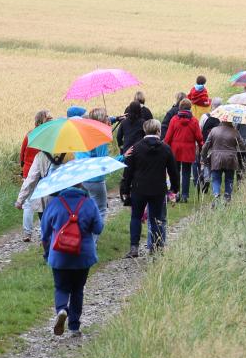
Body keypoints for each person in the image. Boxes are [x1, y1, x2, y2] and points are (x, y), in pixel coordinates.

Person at [41, 184, 104, 338]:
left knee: (61, 287)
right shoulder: (89, 203)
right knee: (77, 289)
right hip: (83, 256)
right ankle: (74, 326)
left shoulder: (54, 203)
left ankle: (62, 309)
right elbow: (98, 228)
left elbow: (45, 232)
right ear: (80, 185)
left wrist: (47, 251)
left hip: (59, 255)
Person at [123, 119, 179, 258]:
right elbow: (173, 171)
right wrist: (174, 189)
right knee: (156, 218)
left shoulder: (135, 148)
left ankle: (134, 247)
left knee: (136, 217)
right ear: (159, 131)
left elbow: (128, 171)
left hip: (138, 188)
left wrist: (125, 189)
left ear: (144, 130)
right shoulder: (165, 148)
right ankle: (154, 247)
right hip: (158, 189)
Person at [19, 109, 52, 241]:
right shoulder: (48, 135)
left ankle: (27, 233)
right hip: (43, 171)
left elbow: (22, 154)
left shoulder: (29, 135)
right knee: (43, 204)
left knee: (28, 204)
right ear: (44, 120)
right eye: (48, 118)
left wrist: (23, 168)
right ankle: (45, 234)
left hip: (28, 171)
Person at [74, 107, 111, 221]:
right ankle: (92, 239)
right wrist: (123, 157)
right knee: (101, 211)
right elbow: (103, 159)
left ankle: (83, 235)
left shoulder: (84, 133)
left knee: (86, 210)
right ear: (101, 119)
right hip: (96, 178)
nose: (108, 118)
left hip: (82, 177)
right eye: (106, 116)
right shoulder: (99, 136)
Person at [164, 98, 204, 202]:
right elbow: (199, 137)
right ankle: (185, 196)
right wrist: (201, 146)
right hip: (188, 150)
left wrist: (164, 147)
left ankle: (175, 193)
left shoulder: (174, 119)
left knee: (175, 172)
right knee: (186, 172)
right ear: (190, 108)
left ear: (180, 107)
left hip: (175, 150)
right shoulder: (194, 121)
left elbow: (168, 137)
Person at [201, 120, 240, 204]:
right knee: (229, 179)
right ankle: (227, 197)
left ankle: (216, 196)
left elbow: (206, 145)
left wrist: (203, 156)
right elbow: (242, 145)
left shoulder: (214, 130)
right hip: (231, 159)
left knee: (216, 179)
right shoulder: (235, 132)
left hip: (216, 158)